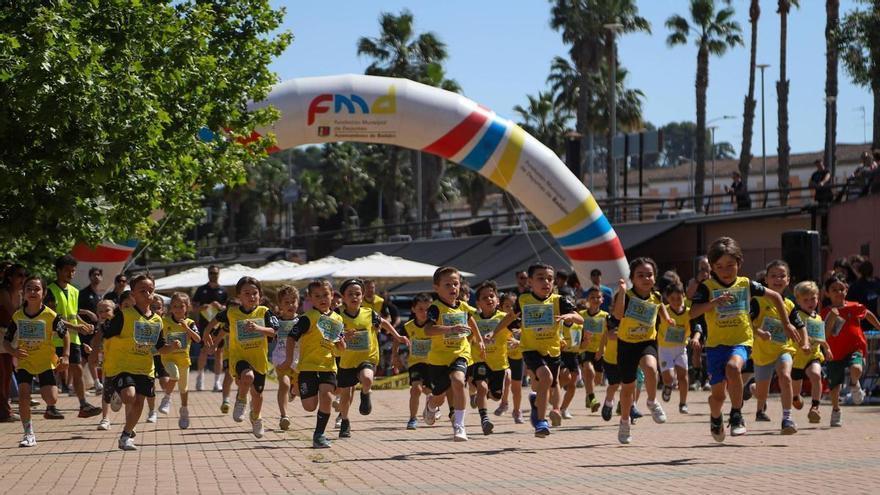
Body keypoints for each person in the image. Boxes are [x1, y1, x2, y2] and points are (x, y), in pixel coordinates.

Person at [689, 237, 796, 443]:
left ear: (739, 263)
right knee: (717, 397)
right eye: (720, 266)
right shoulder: (707, 287)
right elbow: (693, 313)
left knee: (734, 367)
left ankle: (737, 414)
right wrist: (714, 303)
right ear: (712, 267)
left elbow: (775, 296)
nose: (726, 271)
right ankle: (715, 417)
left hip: (741, 341)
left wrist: (787, 324)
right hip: (715, 347)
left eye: (731, 265)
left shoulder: (746, 284)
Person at [492, 263, 581, 438]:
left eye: (549, 278)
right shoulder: (524, 300)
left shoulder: (559, 300)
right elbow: (510, 317)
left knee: (552, 384)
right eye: (540, 278)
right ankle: (541, 422)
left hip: (553, 350)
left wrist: (570, 316)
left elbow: (579, 319)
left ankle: (551, 408)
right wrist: (494, 333)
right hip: (530, 348)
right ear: (530, 281)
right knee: (546, 377)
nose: (546, 282)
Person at [102, 273, 180, 450]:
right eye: (142, 290)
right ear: (133, 294)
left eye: (150, 290)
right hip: (123, 365)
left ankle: (126, 435)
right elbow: (106, 333)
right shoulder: (124, 315)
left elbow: (160, 348)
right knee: (129, 396)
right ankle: (118, 391)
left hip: (145, 368)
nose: (147, 294)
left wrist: (172, 347)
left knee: (139, 403)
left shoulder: (157, 320)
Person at [204, 277, 279, 438]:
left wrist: (258, 328)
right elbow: (214, 321)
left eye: (255, 293)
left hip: (259, 359)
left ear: (260, 294)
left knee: (258, 396)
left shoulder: (264, 312)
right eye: (247, 293)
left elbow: (274, 331)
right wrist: (206, 334)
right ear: (239, 296)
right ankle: (241, 399)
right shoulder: (232, 313)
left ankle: (256, 418)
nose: (251, 296)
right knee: (247, 376)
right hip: (239, 358)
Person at [611, 258, 674, 444]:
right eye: (640, 275)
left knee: (650, 367)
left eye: (649, 275)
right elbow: (618, 315)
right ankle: (624, 422)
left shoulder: (656, 296)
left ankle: (652, 401)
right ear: (632, 278)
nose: (646, 278)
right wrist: (622, 292)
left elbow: (659, 306)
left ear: (654, 278)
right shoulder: (627, 295)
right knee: (628, 388)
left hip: (647, 341)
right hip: (626, 344)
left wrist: (667, 318)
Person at [278, 279, 346, 448]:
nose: (322, 299)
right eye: (317, 296)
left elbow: (339, 346)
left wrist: (342, 344)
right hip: (307, 367)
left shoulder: (338, 319)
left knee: (327, 396)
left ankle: (319, 434)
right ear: (310, 299)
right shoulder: (307, 318)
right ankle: (296, 389)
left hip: (328, 366)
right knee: (309, 406)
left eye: (325, 295)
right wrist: (287, 359)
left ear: (332, 296)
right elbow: (291, 338)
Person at [335, 278, 407, 439]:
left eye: (358, 294)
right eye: (350, 294)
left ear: (362, 296)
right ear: (343, 297)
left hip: (368, 356)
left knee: (367, 378)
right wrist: (342, 335)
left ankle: (366, 393)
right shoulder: (337, 315)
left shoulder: (369, 313)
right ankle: (345, 421)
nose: (354, 297)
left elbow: (384, 323)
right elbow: (329, 335)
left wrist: (397, 335)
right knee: (345, 395)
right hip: (346, 360)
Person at [420, 267, 485, 442]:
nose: (453, 288)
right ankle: (431, 405)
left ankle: (459, 426)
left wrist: (479, 340)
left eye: (455, 284)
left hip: (460, 353)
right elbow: (427, 330)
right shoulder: (435, 308)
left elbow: (471, 320)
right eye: (447, 284)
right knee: (439, 397)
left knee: (458, 381)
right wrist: (451, 329)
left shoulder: (463, 306)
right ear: (436, 288)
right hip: (439, 358)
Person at [3, 276, 68, 447]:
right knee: (24, 395)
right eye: (29, 289)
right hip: (25, 361)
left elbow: (65, 334)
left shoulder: (50, 315)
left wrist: (66, 356)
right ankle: (28, 433)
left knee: (51, 399)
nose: (33, 292)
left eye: (36, 289)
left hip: (45, 362)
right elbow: (6, 341)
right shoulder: (17, 316)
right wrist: (14, 351)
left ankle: (49, 406)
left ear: (44, 293)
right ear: (23, 293)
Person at [749, 260, 803, 434]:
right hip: (762, 353)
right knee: (762, 393)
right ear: (766, 279)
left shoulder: (790, 305)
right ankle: (757, 394)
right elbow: (746, 323)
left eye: (782, 276)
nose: (778, 279)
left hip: (783, 349)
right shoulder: (757, 301)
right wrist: (760, 333)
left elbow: (800, 326)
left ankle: (787, 419)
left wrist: (806, 342)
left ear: (788, 280)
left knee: (785, 377)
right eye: (773, 276)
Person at [44, 255, 101, 418]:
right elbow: (54, 318)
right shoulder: (49, 291)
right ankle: (50, 406)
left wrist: (84, 324)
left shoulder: (75, 291)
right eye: (67, 271)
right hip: (54, 338)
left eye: (73, 271)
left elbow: (74, 314)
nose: (71, 274)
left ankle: (83, 405)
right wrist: (77, 326)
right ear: (58, 271)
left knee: (77, 369)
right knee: (54, 370)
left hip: (73, 338)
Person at [821, 274, 880, 426]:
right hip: (834, 352)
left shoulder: (854, 307)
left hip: (856, 346)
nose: (839, 292)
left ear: (846, 290)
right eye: (834, 290)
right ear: (827, 293)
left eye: (842, 289)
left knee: (856, 367)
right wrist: (832, 318)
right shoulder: (825, 312)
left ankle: (854, 384)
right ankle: (836, 411)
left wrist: (878, 326)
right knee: (835, 384)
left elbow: (867, 315)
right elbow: (824, 334)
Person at [470, 281, 512, 435]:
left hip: (499, 363)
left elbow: (513, 335)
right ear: (478, 303)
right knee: (482, 387)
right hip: (480, 360)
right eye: (484, 297)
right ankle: (485, 419)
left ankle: (482, 398)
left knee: (496, 396)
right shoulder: (473, 318)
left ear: (498, 300)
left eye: (492, 296)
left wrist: (515, 342)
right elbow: (467, 337)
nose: (489, 299)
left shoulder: (505, 318)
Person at [791, 281, 832, 425]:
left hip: (813, 355)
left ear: (818, 298)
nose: (810, 302)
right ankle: (796, 397)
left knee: (816, 375)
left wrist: (826, 348)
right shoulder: (796, 315)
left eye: (813, 298)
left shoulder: (818, 317)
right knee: (796, 392)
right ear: (798, 301)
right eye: (805, 300)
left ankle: (815, 407)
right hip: (797, 358)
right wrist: (804, 342)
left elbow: (821, 337)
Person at [159, 293, 201, 429]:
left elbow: (198, 339)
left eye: (181, 306)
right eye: (175, 306)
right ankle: (167, 399)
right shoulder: (164, 321)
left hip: (184, 360)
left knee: (184, 389)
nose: (178, 309)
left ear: (187, 307)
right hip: (168, 358)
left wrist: (186, 329)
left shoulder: (190, 323)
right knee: (174, 375)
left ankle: (184, 410)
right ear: (170, 308)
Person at [658, 282, 701, 414]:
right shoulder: (664, 310)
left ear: (684, 296)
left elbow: (697, 327)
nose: (676, 302)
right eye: (672, 299)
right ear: (667, 299)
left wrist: (695, 338)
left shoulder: (689, 312)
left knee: (683, 376)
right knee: (669, 377)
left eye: (679, 298)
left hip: (681, 348)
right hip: (665, 349)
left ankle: (683, 403)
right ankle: (667, 386)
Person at [392, 293, 433, 430]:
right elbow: (397, 339)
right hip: (416, 363)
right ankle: (412, 419)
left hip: (434, 363)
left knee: (430, 390)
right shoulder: (408, 326)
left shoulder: (434, 326)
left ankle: (431, 406)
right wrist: (395, 357)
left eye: (428, 309)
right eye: (420, 309)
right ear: (413, 309)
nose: (424, 313)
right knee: (416, 389)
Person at [193, 265, 228, 392]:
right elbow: (193, 307)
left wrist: (220, 306)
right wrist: (201, 308)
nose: (213, 275)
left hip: (219, 326)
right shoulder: (201, 289)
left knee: (219, 352)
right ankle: (200, 377)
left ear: (219, 274)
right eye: (211, 273)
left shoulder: (223, 290)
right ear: (208, 274)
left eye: (215, 273)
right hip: (204, 325)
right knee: (204, 351)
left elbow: (227, 308)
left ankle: (217, 381)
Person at [0, 264, 27, 422]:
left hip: (10, 337)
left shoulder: (21, 293)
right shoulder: (3, 292)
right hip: (1, 335)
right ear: (9, 277)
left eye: (24, 275)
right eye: (19, 275)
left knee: (7, 374)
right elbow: (15, 314)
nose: (22, 279)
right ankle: (4, 411)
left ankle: (5, 410)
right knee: (2, 374)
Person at [272, 285, 300, 431]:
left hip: (299, 360)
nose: (290, 305)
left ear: (298, 303)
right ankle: (284, 416)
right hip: (281, 358)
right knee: (284, 384)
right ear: (280, 305)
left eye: (293, 301)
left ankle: (294, 391)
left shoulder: (302, 321)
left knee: (300, 390)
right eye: (286, 302)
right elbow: (268, 333)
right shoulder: (275, 322)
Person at [578, 288, 608, 414]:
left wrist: (602, 350)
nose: (595, 300)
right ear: (588, 300)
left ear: (602, 300)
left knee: (597, 379)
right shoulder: (581, 315)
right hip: (584, 349)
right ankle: (592, 399)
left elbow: (607, 335)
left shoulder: (606, 316)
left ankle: (588, 394)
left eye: (598, 297)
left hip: (599, 350)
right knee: (588, 370)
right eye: (592, 297)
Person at [497, 292, 524, 423]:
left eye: (512, 306)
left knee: (516, 387)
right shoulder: (499, 322)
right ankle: (504, 402)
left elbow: (530, 338)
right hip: (503, 356)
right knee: (506, 380)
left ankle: (517, 411)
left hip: (517, 357)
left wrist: (518, 342)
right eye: (506, 306)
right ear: (501, 307)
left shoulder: (522, 322)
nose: (510, 309)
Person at [79, 267, 104, 394]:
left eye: (99, 275)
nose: (96, 277)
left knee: (84, 359)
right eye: (94, 274)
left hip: (96, 330)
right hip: (85, 330)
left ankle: (73, 384)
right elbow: (75, 310)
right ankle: (97, 383)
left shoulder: (98, 294)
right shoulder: (83, 293)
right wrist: (88, 312)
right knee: (89, 356)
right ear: (90, 277)